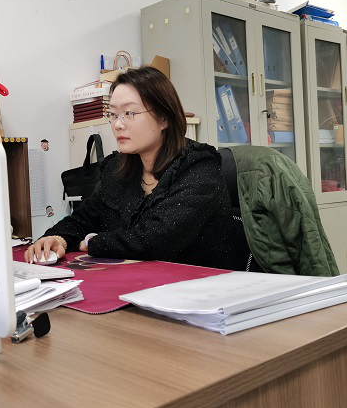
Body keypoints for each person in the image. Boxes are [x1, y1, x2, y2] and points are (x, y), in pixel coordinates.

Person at [24, 66, 236, 268]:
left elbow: (156, 239)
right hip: (143, 283)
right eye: (113, 114)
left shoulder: (199, 168)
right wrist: (57, 237)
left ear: (164, 118)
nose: (117, 124)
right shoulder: (119, 169)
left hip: (204, 286)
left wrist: (92, 243)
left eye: (129, 113)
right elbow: (86, 216)